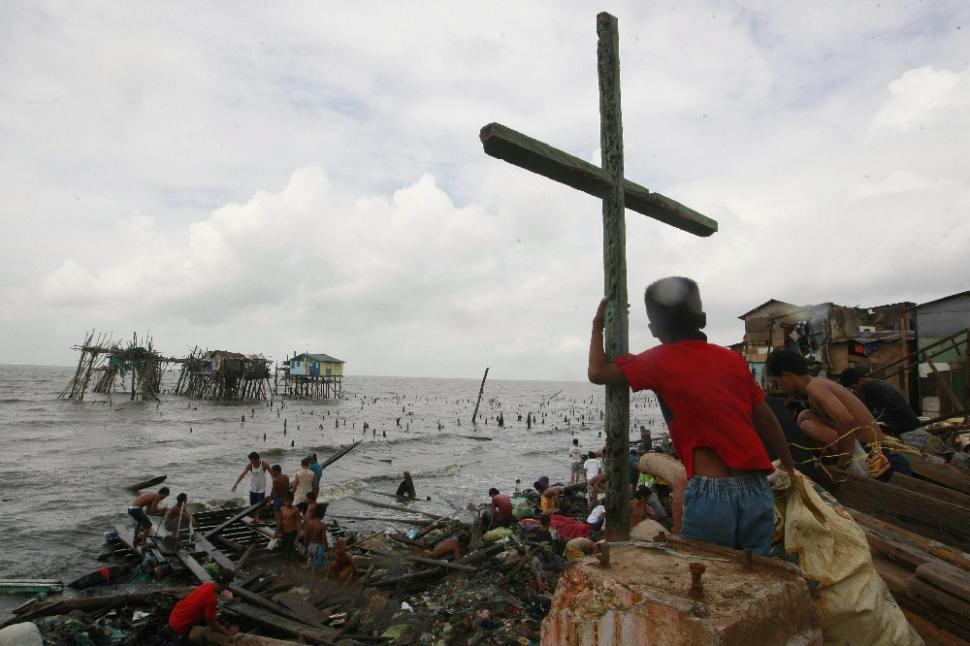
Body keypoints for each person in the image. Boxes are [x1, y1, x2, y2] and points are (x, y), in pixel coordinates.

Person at [588, 277, 794, 555]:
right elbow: (767, 419)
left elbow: (597, 372)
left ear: (653, 329)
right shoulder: (733, 360)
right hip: (756, 489)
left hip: (711, 494)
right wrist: (789, 467)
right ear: (703, 320)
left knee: (707, 577)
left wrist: (597, 325)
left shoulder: (657, 360)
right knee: (757, 572)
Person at [766, 350, 908, 480]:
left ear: (787, 376)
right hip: (873, 452)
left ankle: (848, 462)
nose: (779, 387)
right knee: (805, 416)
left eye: (777, 382)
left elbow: (845, 420)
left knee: (807, 425)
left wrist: (843, 459)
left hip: (877, 459)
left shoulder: (815, 387)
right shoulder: (816, 386)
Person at [839, 367, 920, 437]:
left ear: (860, 380)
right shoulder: (878, 383)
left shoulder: (867, 388)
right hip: (910, 422)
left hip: (901, 426)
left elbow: (865, 413)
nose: (855, 391)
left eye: (854, 388)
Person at [166, 569, 237, 642]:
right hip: (179, 627)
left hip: (173, 618)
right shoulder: (211, 598)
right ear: (227, 584)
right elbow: (212, 624)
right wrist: (227, 634)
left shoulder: (206, 586)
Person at [232, 452, 270, 526]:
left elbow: (272, 473)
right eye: (250, 460)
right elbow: (242, 475)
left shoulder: (264, 464)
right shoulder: (250, 465)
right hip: (253, 487)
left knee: (258, 504)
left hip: (261, 487)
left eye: (252, 460)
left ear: (257, 459)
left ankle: (257, 518)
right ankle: (254, 518)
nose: (251, 462)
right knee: (253, 504)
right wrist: (235, 484)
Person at [304, 505, 330, 574]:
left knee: (310, 561)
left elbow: (306, 536)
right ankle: (314, 578)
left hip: (311, 546)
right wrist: (327, 550)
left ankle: (308, 573)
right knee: (316, 567)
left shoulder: (309, 523)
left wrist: (306, 547)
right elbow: (324, 539)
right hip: (318, 548)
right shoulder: (322, 525)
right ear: (323, 514)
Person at [279, 491, 301, 559]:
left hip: (292, 533)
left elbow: (298, 523)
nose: (286, 503)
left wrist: (297, 537)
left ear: (292, 500)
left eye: (288, 501)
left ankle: (291, 564)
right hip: (284, 533)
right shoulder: (282, 508)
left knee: (289, 552)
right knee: (284, 550)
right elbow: (280, 521)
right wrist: (279, 532)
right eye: (285, 501)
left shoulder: (296, 510)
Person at [269, 465, 289, 538]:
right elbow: (287, 488)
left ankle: (279, 533)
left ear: (276, 471)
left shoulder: (276, 480)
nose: (272, 473)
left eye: (273, 472)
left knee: (278, 519)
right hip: (285, 499)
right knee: (284, 517)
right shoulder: (286, 477)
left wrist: (269, 501)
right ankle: (284, 531)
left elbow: (273, 492)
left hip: (278, 500)